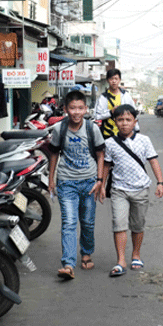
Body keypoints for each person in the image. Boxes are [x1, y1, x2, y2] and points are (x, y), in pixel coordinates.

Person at [48, 90, 106, 280]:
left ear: (85, 109)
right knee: (69, 222)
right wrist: (51, 180)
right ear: (65, 109)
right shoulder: (59, 129)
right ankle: (68, 263)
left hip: (89, 181)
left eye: (80, 108)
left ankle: (87, 252)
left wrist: (99, 181)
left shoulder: (92, 128)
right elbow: (54, 153)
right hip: (66, 182)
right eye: (72, 108)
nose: (76, 112)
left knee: (88, 222)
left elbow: (100, 155)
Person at [100, 105, 163, 277]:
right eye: (120, 120)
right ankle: (121, 260)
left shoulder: (144, 140)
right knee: (119, 224)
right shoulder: (110, 143)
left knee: (137, 225)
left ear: (135, 121)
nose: (124, 123)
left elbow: (153, 161)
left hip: (140, 189)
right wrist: (102, 186)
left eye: (128, 120)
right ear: (115, 122)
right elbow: (106, 165)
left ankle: (136, 254)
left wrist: (160, 182)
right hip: (119, 190)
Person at [93, 68, 135, 139]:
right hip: (108, 134)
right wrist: (111, 112)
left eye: (116, 79)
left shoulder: (126, 95)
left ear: (119, 80)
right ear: (107, 80)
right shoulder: (103, 97)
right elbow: (97, 116)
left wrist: (136, 130)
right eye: (111, 79)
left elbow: (133, 114)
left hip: (124, 133)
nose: (114, 81)